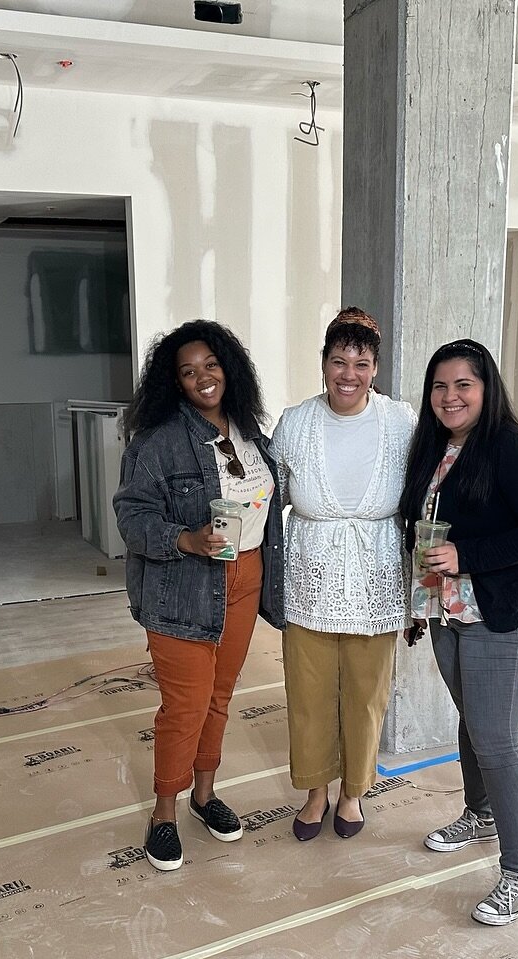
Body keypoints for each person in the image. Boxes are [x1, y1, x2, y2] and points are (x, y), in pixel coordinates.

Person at [402, 338, 518, 925]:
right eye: (440, 386)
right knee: (473, 722)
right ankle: (481, 813)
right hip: (447, 608)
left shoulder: (514, 449)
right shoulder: (436, 447)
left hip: (504, 609)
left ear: (486, 388)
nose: (450, 396)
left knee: (497, 740)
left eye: (463, 385)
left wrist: (464, 555)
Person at [113, 320, 285, 872]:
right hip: (182, 586)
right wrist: (182, 539)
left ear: (229, 368)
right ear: (174, 382)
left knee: (219, 697)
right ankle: (165, 813)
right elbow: (132, 517)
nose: (202, 378)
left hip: (246, 577)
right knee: (184, 707)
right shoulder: (156, 443)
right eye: (188, 372)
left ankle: (204, 797)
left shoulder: (251, 434)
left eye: (210, 365)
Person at [272, 308, 415, 841]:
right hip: (311, 574)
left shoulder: (401, 421)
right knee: (308, 694)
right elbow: (272, 497)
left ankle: (353, 794)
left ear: (375, 367)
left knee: (366, 692)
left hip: (377, 577)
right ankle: (316, 793)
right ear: (324, 364)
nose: (348, 374)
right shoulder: (295, 421)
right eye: (339, 361)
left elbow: (426, 493)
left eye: (361, 362)